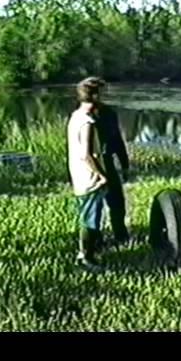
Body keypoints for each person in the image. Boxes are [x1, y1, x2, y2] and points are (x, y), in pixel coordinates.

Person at [67, 77, 108, 268]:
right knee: (91, 220)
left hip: (79, 176)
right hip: (89, 179)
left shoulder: (76, 116)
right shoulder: (87, 122)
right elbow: (87, 154)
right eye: (102, 93)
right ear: (94, 95)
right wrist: (102, 175)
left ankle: (87, 253)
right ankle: (86, 258)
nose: (104, 97)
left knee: (87, 216)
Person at [92, 84, 131, 245]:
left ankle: (120, 236)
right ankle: (95, 241)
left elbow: (117, 140)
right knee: (95, 205)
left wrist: (125, 164)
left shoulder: (109, 113)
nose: (103, 96)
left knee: (117, 202)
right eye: (100, 93)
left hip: (107, 161)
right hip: (91, 163)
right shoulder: (83, 116)